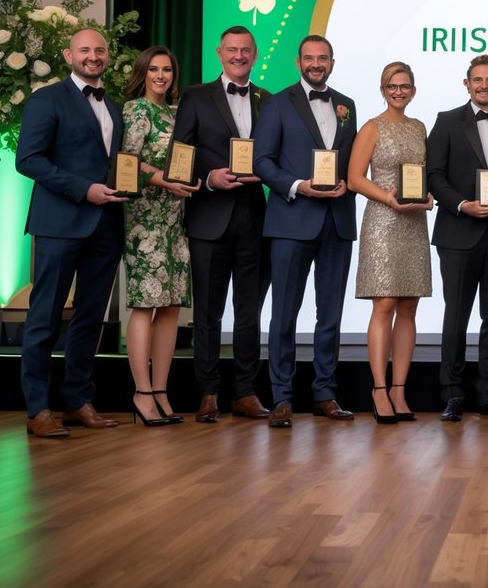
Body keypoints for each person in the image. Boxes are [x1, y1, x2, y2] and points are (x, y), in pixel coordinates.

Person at [16, 28, 127, 437]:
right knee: (44, 317)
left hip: (106, 227)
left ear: (107, 57)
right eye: (85, 50)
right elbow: (28, 159)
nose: (93, 56)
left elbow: (114, 163)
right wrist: (84, 190)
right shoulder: (47, 99)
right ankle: (37, 409)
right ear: (68, 55)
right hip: (60, 224)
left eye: (99, 50)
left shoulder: (111, 106)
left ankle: (77, 400)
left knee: (90, 320)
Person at [254, 34, 358, 427]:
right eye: (310, 58)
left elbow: (349, 160)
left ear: (333, 61)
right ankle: (281, 397)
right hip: (291, 220)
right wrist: (298, 186)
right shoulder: (277, 103)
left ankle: (325, 393)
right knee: (284, 313)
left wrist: (349, 180)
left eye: (323, 58)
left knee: (329, 314)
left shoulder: (347, 105)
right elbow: (262, 162)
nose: (317, 64)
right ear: (299, 62)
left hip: (337, 221)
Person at [171, 25, 272, 424]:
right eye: (232, 50)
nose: (239, 56)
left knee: (249, 312)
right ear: (219, 53)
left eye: (246, 50)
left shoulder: (268, 99)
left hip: (254, 218)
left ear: (255, 54)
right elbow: (182, 151)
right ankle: (208, 392)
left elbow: (274, 152)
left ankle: (245, 392)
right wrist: (208, 177)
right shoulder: (196, 96)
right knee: (209, 314)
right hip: (209, 216)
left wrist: (268, 174)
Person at [426, 54, 488, 421]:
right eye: (477, 80)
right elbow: (433, 175)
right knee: (456, 317)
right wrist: (462, 205)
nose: (484, 85)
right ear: (466, 84)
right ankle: (452, 394)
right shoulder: (447, 121)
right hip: (458, 233)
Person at [347, 61, 434, 424]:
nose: (398, 91)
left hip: (413, 221)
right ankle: (379, 389)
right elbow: (353, 179)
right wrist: (387, 198)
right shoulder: (372, 127)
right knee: (383, 305)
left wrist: (427, 197)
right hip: (383, 221)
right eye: (391, 86)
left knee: (409, 306)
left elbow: (422, 176)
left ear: (413, 90)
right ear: (383, 90)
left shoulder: (419, 127)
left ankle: (400, 389)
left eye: (405, 86)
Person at [121, 46, 199, 426]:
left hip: (175, 218)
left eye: (167, 69)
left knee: (171, 306)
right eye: (153, 69)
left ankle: (161, 390)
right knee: (145, 304)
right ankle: (141, 392)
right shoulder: (137, 110)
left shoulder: (176, 111)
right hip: (145, 219)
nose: (161, 76)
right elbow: (127, 162)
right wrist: (163, 180)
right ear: (143, 72)